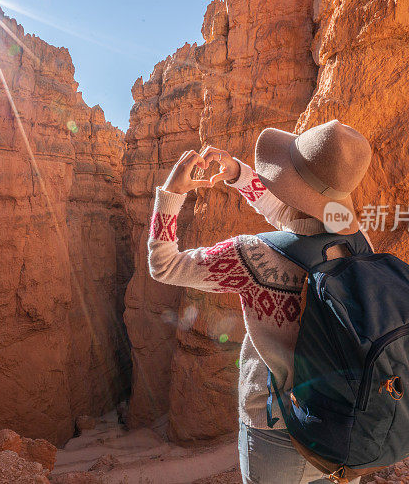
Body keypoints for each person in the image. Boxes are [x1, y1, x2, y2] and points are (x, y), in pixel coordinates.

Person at [147, 120, 374, 484]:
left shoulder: (253, 256)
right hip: (344, 427)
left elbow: (164, 264)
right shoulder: (359, 246)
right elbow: (298, 219)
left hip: (274, 431)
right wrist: (238, 174)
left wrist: (172, 194)